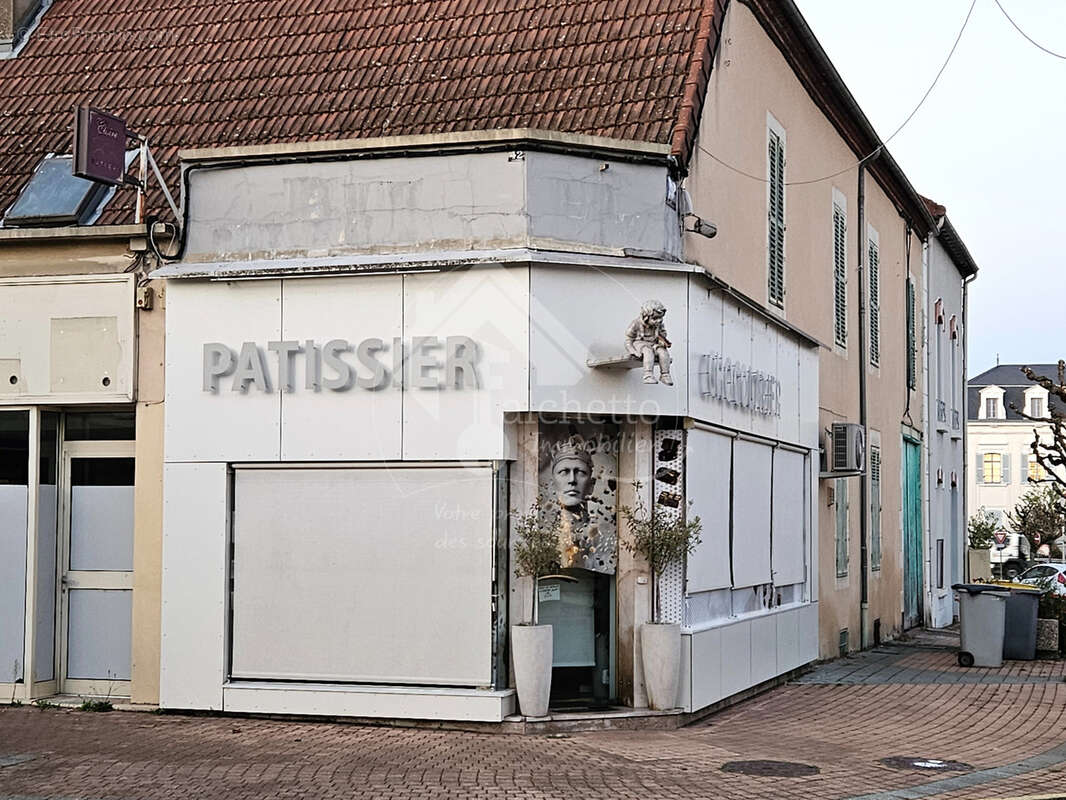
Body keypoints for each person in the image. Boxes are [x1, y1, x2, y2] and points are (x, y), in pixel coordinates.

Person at [625, 299, 673, 385]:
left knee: (663, 352)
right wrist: (633, 351)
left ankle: (665, 374)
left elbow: (663, 334)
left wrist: (662, 340)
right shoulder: (636, 323)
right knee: (648, 351)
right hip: (640, 343)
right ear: (645, 317)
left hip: (653, 343)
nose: (658, 321)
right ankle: (648, 375)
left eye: (660, 318)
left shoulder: (659, 325)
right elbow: (628, 339)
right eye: (655, 318)